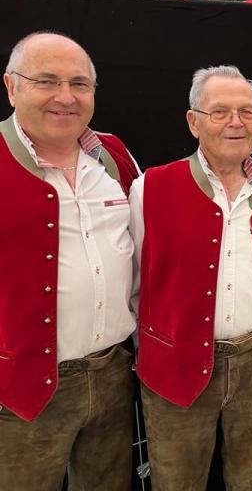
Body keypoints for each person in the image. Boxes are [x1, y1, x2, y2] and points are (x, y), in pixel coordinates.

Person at [129, 65, 252, 490]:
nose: (235, 122)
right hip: (175, 367)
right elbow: (133, 283)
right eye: (220, 111)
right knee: (178, 483)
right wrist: (157, 347)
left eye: (246, 112)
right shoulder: (149, 188)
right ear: (194, 122)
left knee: (251, 481)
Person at [0, 32, 139, 490]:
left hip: (112, 375)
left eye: (79, 84)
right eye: (46, 81)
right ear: (11, 87)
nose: (65, 96)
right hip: (18, 389)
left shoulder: (114, 156)